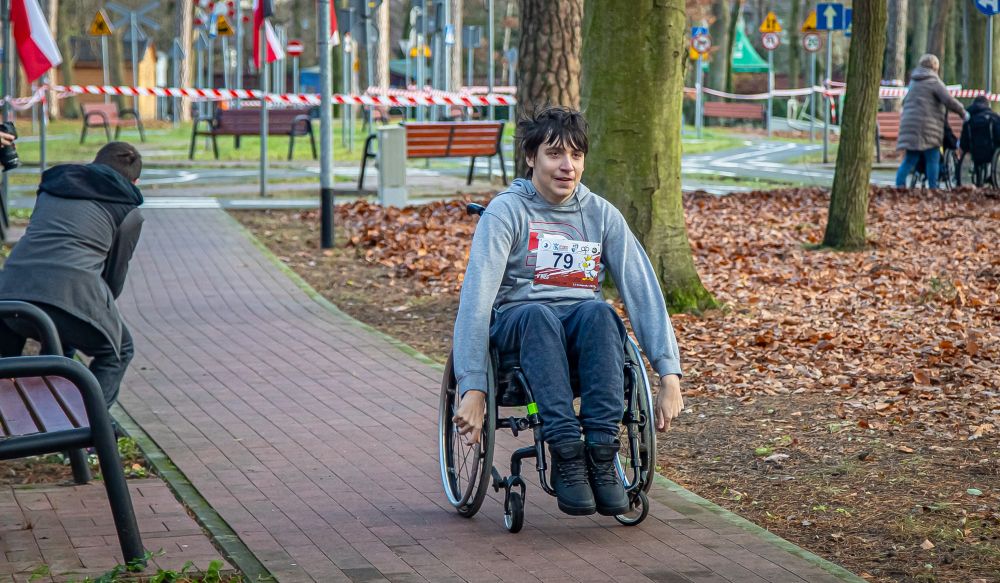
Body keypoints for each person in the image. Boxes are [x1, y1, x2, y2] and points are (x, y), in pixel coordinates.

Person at [451, 107, 684, 517]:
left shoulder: (600, 214)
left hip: (580, 334)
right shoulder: (507, 212)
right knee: (538, 316)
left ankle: (601, 452)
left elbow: (641, 289)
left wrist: (669, 375)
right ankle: (566, 452)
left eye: (576, 155)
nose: (567, 166)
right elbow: (477, 298)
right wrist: (473, 386)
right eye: (555, 154)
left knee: (601, 314)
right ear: (531, 157)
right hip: (520, 330)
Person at [0, 142, 145, 408]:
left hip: (9, 291)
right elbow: (112, 281)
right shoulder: (129, 213)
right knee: (119, 350)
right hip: (71, 296)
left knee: (40, 345)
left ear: (94, 165)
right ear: (135, 182)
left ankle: (25, 419)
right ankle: (87, 426)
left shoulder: (54, 188)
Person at [895, 54, 968, 189]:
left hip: (910, 127)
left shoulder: (914, 82)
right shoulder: (934, 82)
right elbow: (949, 101)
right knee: (932, 158)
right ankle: (933, 189)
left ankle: (899, 187)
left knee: (910, 159)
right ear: (935, 67)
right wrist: (963, 113)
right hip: (927, 127)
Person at [960, 95, 1000, 169]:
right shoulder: (994, 117)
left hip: (974, 151)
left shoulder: (969, 119)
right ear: (987, 105)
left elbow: (963, 141)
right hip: (991, 152)